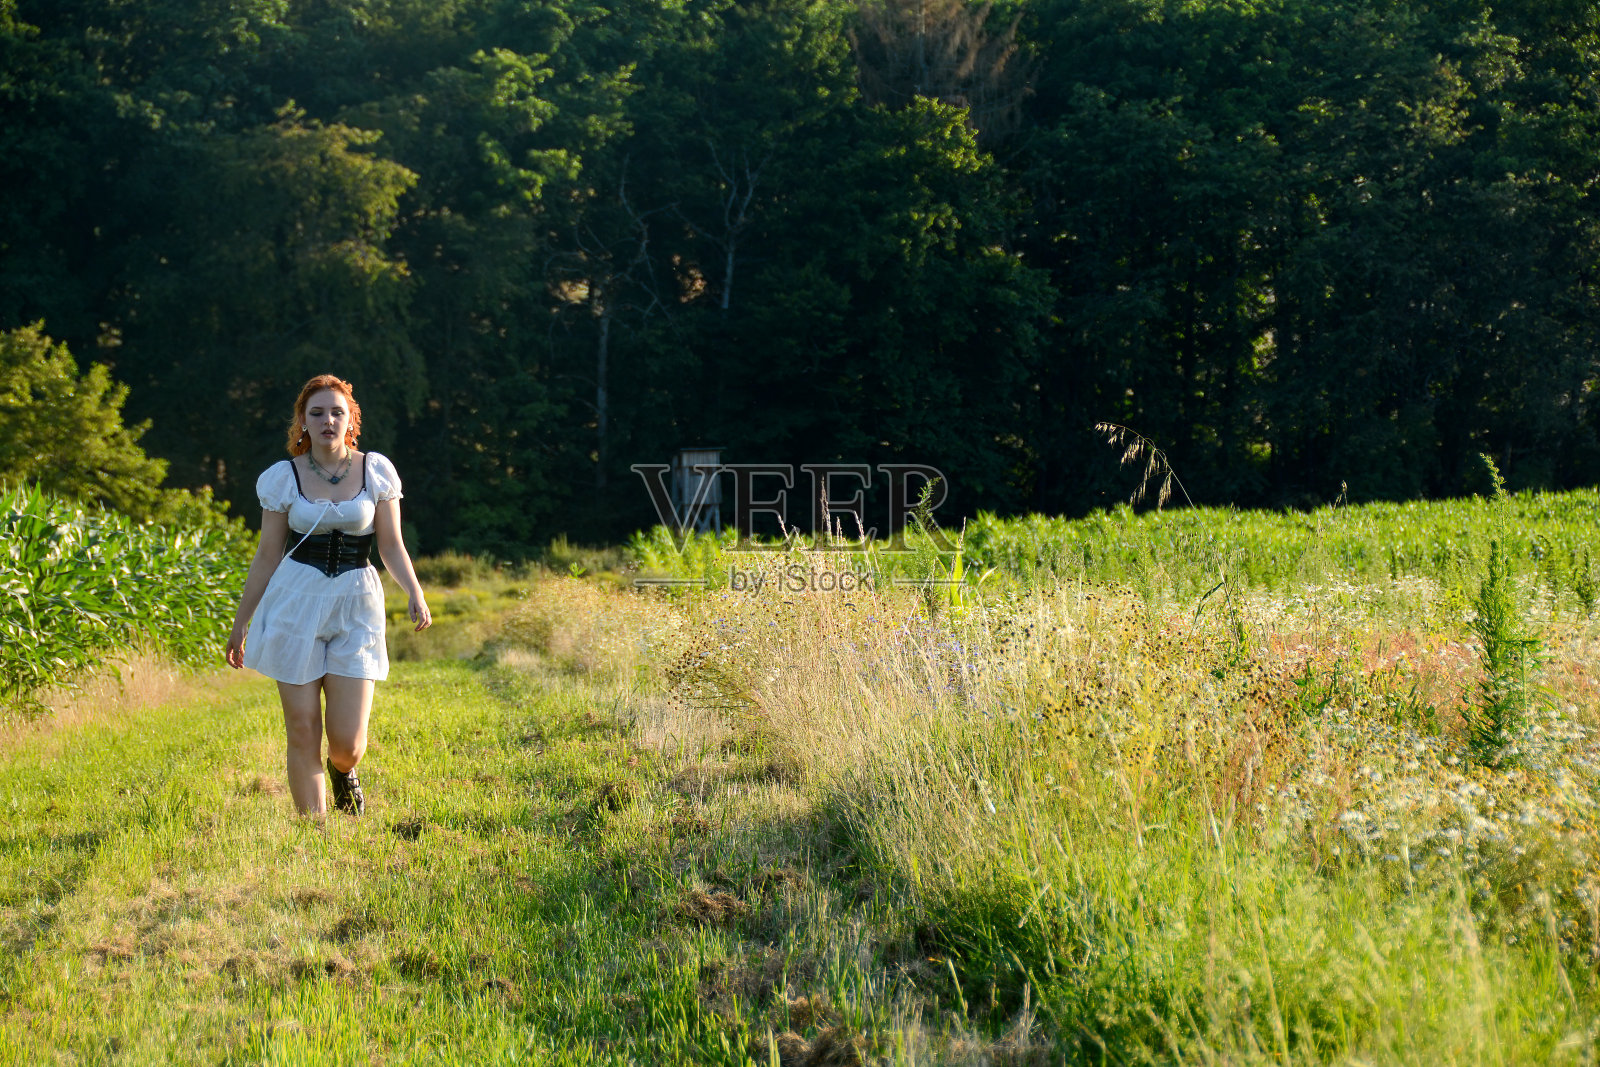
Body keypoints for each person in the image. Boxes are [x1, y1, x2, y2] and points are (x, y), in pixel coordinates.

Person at [225, 375, 431, 817]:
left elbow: (391, 545)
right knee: (301, 728)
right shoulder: (283, 477)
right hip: (295, 604)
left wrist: (414, 591)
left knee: (347, 745)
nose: (327, 421)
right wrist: (242, 622)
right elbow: (266, 554)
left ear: (350, 419)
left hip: (356, 603)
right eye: (316, 413)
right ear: (302, 421)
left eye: (337, 412)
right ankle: (315, 838)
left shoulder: (375, 470)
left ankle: (343, 772)